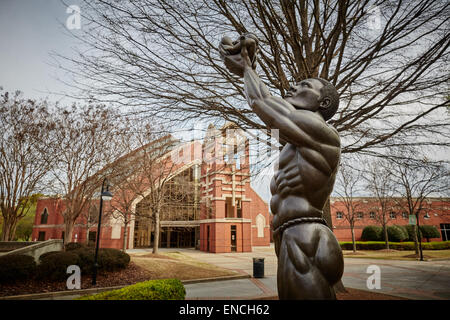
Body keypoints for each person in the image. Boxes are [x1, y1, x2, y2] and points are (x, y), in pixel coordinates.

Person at [219, 34, 344, 299]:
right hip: (289, 233)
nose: (292, 89)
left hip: (304, 234)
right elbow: (270, 113)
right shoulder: (294, 143)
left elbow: (262, 104)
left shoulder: (323, 133)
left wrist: (247, 69)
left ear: (323, 103)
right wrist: (248, 67)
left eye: (304, 86)